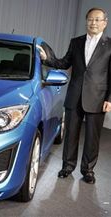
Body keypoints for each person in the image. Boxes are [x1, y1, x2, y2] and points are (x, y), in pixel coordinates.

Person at [37, 7, 111, 184]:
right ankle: (67, 167)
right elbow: (63, 62)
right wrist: (47, 58)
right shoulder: (76, 42)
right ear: (86, 21)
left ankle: (88, 170)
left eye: (97, 20)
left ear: (105, 23)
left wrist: (109, 99)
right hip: (75, 95)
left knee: (93, 138)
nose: (93, 23)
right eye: (90, 19)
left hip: (98, 97)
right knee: (70, 134)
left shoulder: (109, 45)